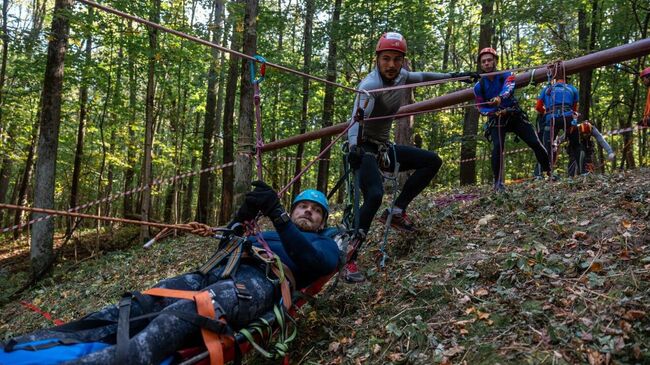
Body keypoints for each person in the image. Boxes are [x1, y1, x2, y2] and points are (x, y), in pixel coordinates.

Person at [1, 183, 339, 365]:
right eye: (302, 206)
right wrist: (244, 213)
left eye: (315, 211)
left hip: (259, 284)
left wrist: (278, 215)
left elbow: (314, 262)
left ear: (322, 221)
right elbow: (225, 243)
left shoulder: (324, 243)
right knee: (142, 303)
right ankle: (28, 346)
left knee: (188, 311)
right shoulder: (267, 233)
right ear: (294, 208)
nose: (307, 212)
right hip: (218, 271)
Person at [345, 31, 478, 283]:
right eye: (386, 59)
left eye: (397, 59)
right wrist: (354, 147)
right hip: (362, 149)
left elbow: (425, 77)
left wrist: (456, 76)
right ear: (377, 59)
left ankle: (396, 211)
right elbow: (356, 120)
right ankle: (348, 258)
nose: (392, 65)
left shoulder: (402, 77)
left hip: (383, 147)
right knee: (373, 195)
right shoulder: (369, 86)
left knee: (431, 161)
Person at [472, 47, 551, 192]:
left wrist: (499, 98)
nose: (487, 63)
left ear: (495, 61)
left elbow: (509, 88)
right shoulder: (479, 86)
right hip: (497, 119)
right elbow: (480, 107)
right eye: (484, 61)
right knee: (497, 148)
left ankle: (549, 172)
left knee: (535, 142)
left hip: (513, 114)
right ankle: (497, 183)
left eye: (490, 60)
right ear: (481, 65)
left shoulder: (506, 75)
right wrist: (492, 113)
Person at [534, 76, 581, 176]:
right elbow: (575, 108)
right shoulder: (572, 89)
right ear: (566, 80)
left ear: (555, 80)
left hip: (551, 119)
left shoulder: (547, 89)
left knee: (545, 147)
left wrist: (545, 112)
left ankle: (540, 174)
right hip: (568, 119)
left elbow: (538, 107)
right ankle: (583, 172)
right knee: (576, 145)